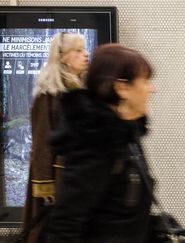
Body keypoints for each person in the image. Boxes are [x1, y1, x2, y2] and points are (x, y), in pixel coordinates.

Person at [45, 44, 156, 242]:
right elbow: (67, 222)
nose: (152, 89)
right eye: (145, 81)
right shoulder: (97, 143)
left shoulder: (126, 135)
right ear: (122, 88)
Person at [21, 32, 89, 243]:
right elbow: (42, 141)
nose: (86, 54)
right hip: (58, 178)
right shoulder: (49, 94)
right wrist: (44, 185)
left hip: (81, 175)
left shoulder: (84, 91)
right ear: (62, 56)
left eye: (84, 49)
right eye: (78, 51)